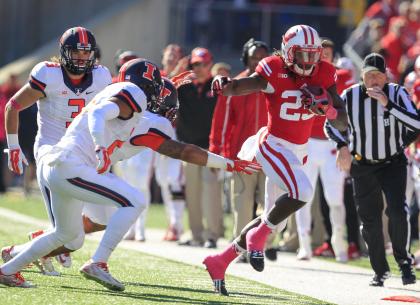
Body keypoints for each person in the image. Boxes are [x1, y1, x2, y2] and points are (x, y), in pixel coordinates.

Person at [0, 60, 258, 290]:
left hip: (61, 166)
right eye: (157, 86)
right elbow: (102, 115)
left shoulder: (134, 109)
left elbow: (181, 151)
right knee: (135, 200)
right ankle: (98, 262)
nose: (161, 95)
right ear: (147, 85)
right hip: (72, 165)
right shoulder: (134, 95)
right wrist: (100, 145)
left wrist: (228, 164)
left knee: (67, 234)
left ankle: (7, 269)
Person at [204, 25, 348, 295]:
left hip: (299, 151)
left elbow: (342, 120)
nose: (307, 62)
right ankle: (258, 239)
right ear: (287, 51)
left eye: (311, 55)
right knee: (303, 191)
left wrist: (326, 108)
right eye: (301, 55)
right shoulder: (273, 67)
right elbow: (243, 86)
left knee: (275, 219)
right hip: (273, 145)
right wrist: (225, 85)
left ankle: (219, 261)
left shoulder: (326, 71)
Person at [3, 27, 112, 275]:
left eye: (86, 52)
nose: (82, 58)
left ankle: (31, 245)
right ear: (64, 52)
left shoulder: (102, 77)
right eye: (76, 51)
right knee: (72, 240)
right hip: (52, 155)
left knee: (103, 218)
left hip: (84, 154)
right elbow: (13, 106)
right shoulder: (47, 74)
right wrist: (14, 146)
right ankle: (14, 258)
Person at [326, 53, 418, 287]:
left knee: (397, 212)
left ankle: (404, 262)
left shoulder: (397, 93)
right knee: (369, 220)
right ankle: (379, 270)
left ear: (386, 76)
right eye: (369, 76)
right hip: (362, 164)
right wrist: (342, 146)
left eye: (378, 75)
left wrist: (388, 105)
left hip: (392, 164)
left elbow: (416, 124)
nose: (374, 80)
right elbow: (330, 123)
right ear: (362, 77)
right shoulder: (350, 96)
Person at [209, 38, 269, 261]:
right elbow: (222, 123)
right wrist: (219, 153)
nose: (258, 61)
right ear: (246, 59)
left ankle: (259, 244)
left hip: (270, 154)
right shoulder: (235, 85)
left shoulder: (273, 84)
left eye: (263, 57)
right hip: (242, 155)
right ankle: (240, 248)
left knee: (269, 204)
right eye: (254, 57)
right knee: (241, 202)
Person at [294, 39, 348, 261]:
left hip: (330, 144)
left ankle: (339, 241)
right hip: (306, 142)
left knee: (335, 198)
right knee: (303, 196)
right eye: (320, 53)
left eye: (328, 53)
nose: (324, 57)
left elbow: (346, 113)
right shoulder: (302, 75)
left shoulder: (340, 77)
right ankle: (304, 243)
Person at [176, 47, 223, 249]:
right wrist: (180, 69)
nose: (199, 68)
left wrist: (220, 147)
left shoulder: (218, 86)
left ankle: (212, 235)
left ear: (210, 64)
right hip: (188, 147)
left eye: (203, 64)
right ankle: (196, 234)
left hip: (210, 148)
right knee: (192, 193)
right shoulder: (184, 86)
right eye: (195, 64)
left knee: (211, 192)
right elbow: (165, 86)